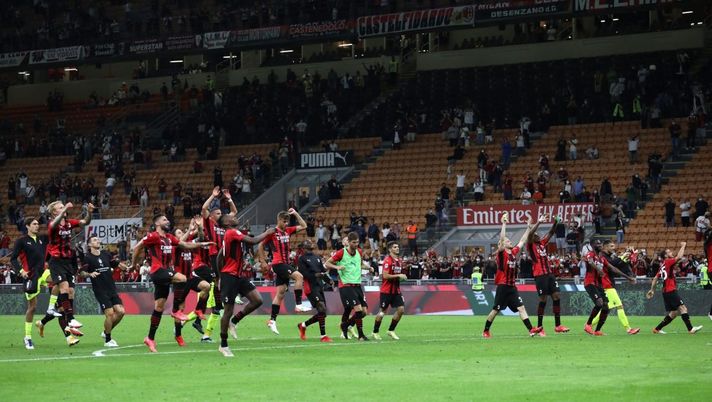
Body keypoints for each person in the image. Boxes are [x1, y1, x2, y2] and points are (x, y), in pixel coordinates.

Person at [132, 215, 215, 352]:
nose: (167, 221)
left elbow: (185, 244)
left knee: (159, 307)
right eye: (164, 220)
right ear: (157, 223)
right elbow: (137, 247)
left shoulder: (169, 238)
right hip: (158, 271)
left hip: (166, 274)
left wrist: (201, 244)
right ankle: (176, 311)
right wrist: (134, 264)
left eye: (167, 219)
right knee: (182, 278)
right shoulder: (153, 236)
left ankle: (150, 338)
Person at [215, 214, 274, 357]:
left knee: (257, 300)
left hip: (238, 275)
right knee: (228, 310)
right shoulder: (231, 232)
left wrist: (218, 275)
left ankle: (234, 321)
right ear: (227, 223)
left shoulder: (233, 234)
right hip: (229, 276)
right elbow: (253, 241)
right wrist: (267, 233)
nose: (234, 217)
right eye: (230, 217)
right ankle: (223, 345)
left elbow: (219, 256)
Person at [482, 215, 540, 338]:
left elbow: (523, 240)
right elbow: (502, 238)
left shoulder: (513, 253)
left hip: (512, 287)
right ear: (502, 245)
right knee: (496, 310)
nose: (510, 242)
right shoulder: (502, 254)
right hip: (503, 287)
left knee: (521, 308)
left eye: (509, 241)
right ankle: (486, 330)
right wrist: (504, 223)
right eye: (508, 241)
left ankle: (531, 330)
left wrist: (528, 227)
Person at [47, 201, 94, 345]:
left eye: (63, 206)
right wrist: (64, 210)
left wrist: (89, 212)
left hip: (67, 262)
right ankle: (70, 318)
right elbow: (54, 224)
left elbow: (84, 222)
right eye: (60, 208)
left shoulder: (69, 223)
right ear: (54, 212)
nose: (63, 209)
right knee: (65, 288)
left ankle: (65, 318)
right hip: (56, 260)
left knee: (71, 291)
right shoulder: (52, 224)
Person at [258, 209, 309, 335]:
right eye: (284, 221)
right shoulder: (272, 232)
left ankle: (272, 320)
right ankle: (298, 304)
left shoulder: (288, 231)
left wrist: (296, 213)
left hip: (285, 264)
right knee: (299, 277)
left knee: (280, 293)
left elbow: (304, 226)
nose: (286, 224)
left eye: (287, 221)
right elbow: (260, 245)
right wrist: (263, 261)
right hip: (278, 263)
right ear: (279, 220)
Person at [5, 217, 54, 349]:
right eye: (34, 224)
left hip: (43, 272)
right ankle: (27, 337)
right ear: (27, 226)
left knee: (58, 280)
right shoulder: (21, 241)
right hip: (30, 275)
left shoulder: (41, 240)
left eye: (38, 224)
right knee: (32, 308)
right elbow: (13, 259)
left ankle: (51, 307)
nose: (37, 226)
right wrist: (21, 271)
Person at [200, 187, 237, 342]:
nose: (221, 215)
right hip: (215, 256)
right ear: (212, 216)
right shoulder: (210, 224)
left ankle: (224, 300)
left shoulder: (224, 226)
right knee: (219, 281)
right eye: (218, 213)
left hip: (225, 256)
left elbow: (234, 212)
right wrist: (213, 196)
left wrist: (229, 199)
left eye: (221, 214)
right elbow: (203, 209)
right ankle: (223, 299)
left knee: (226, 279)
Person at [79, 235, 128, 347]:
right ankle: (108, 340)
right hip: (100, 290)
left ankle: (106, 331)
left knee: (121, 312)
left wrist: (124, 267)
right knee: (110, 314)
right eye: (94, 240)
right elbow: (81, 272)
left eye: (98, 239)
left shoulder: (106, 254)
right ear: (89, 244)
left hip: (111, 288)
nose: (98, 241)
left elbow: (116, 264)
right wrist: (89, 274)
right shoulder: (87, 258)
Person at [325, 232, 374, 341]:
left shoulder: (359, 252)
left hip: (357, 285)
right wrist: (336, 267)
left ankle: (345, 325)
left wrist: (368, 268)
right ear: (349, 242)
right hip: (346, 285)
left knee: (364, 312)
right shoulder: (341, 253)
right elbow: (327, 263)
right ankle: (361, 335)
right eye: (354, 242)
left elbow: (360, 264)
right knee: (358, 310)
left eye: (357, 242)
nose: (356, 244)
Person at [526, 215, 569, 335]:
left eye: (537, 234)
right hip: (540, 275)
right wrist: (538, 222)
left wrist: (556, 222)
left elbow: (551, 232)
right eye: (535, 235)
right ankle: (540, 327)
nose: (537, 235)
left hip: (549, 274)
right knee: (543, 299)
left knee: (556, 296)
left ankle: (558, 325)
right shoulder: (530, 246)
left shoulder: (542, 243)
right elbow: (530, 235)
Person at [647, 242, 703, 334]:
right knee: (683, 308)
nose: (671, 252)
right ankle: (690, 329)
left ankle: (657, 329)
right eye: (669, 252)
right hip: (670, 290)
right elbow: (679, 257)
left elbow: (656, 278)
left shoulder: (662, 265)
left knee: (674, 313)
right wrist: (683, 246)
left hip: (666, 292)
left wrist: (652, 290)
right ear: (665, 255)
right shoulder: (668, 262)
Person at [173, 219, 213, 344]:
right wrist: (190, 230)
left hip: (190, 276)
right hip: (180, 280)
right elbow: (181, 242)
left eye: (181, 232)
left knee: (206, 286)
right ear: (175, 237)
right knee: (180, 309)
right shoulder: (175, 246)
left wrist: (200, 228)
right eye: (179, 233)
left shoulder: (189, 243)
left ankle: (198, 310)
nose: (181, 234)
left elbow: (200, 238)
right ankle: (178, 334)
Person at [589, 240, 639, 335]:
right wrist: (623, 257)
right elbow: (613, 264)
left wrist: (626, 256)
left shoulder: (607, 256)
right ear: (605, 247)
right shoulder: (602, 256)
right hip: (606, 285)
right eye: (611, 246)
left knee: (606, 308)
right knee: (619, 306)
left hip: (608, 284)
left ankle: (589, 325)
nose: (613, 248)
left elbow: (616, 265)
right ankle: (628, 329)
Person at [296, 239, 333, 343]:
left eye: (310, 242)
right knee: (321, 308)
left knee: (323, 313)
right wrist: (316, 275)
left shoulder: (317, 258)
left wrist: (329, 280)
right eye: (307, 242)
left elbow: (322, 271)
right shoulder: (302, 259)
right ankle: (323, 336)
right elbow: (303, 275)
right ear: (303, 248)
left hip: (319, 286)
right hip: (310, 287)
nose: (310, 243)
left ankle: (303, 325)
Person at [372, 241, 406, 340]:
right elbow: (385, 275)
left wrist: (401, 278)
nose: (397, 248)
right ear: (390, 249)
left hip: (396, 291)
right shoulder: (387, 261)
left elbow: (396, 276)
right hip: (386, 291)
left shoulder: (399, 261)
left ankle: (391, 330)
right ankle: (375, 332)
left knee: (401, 310)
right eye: (395, 247)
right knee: (382, 312)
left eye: (397, 246)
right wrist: (399, 275)